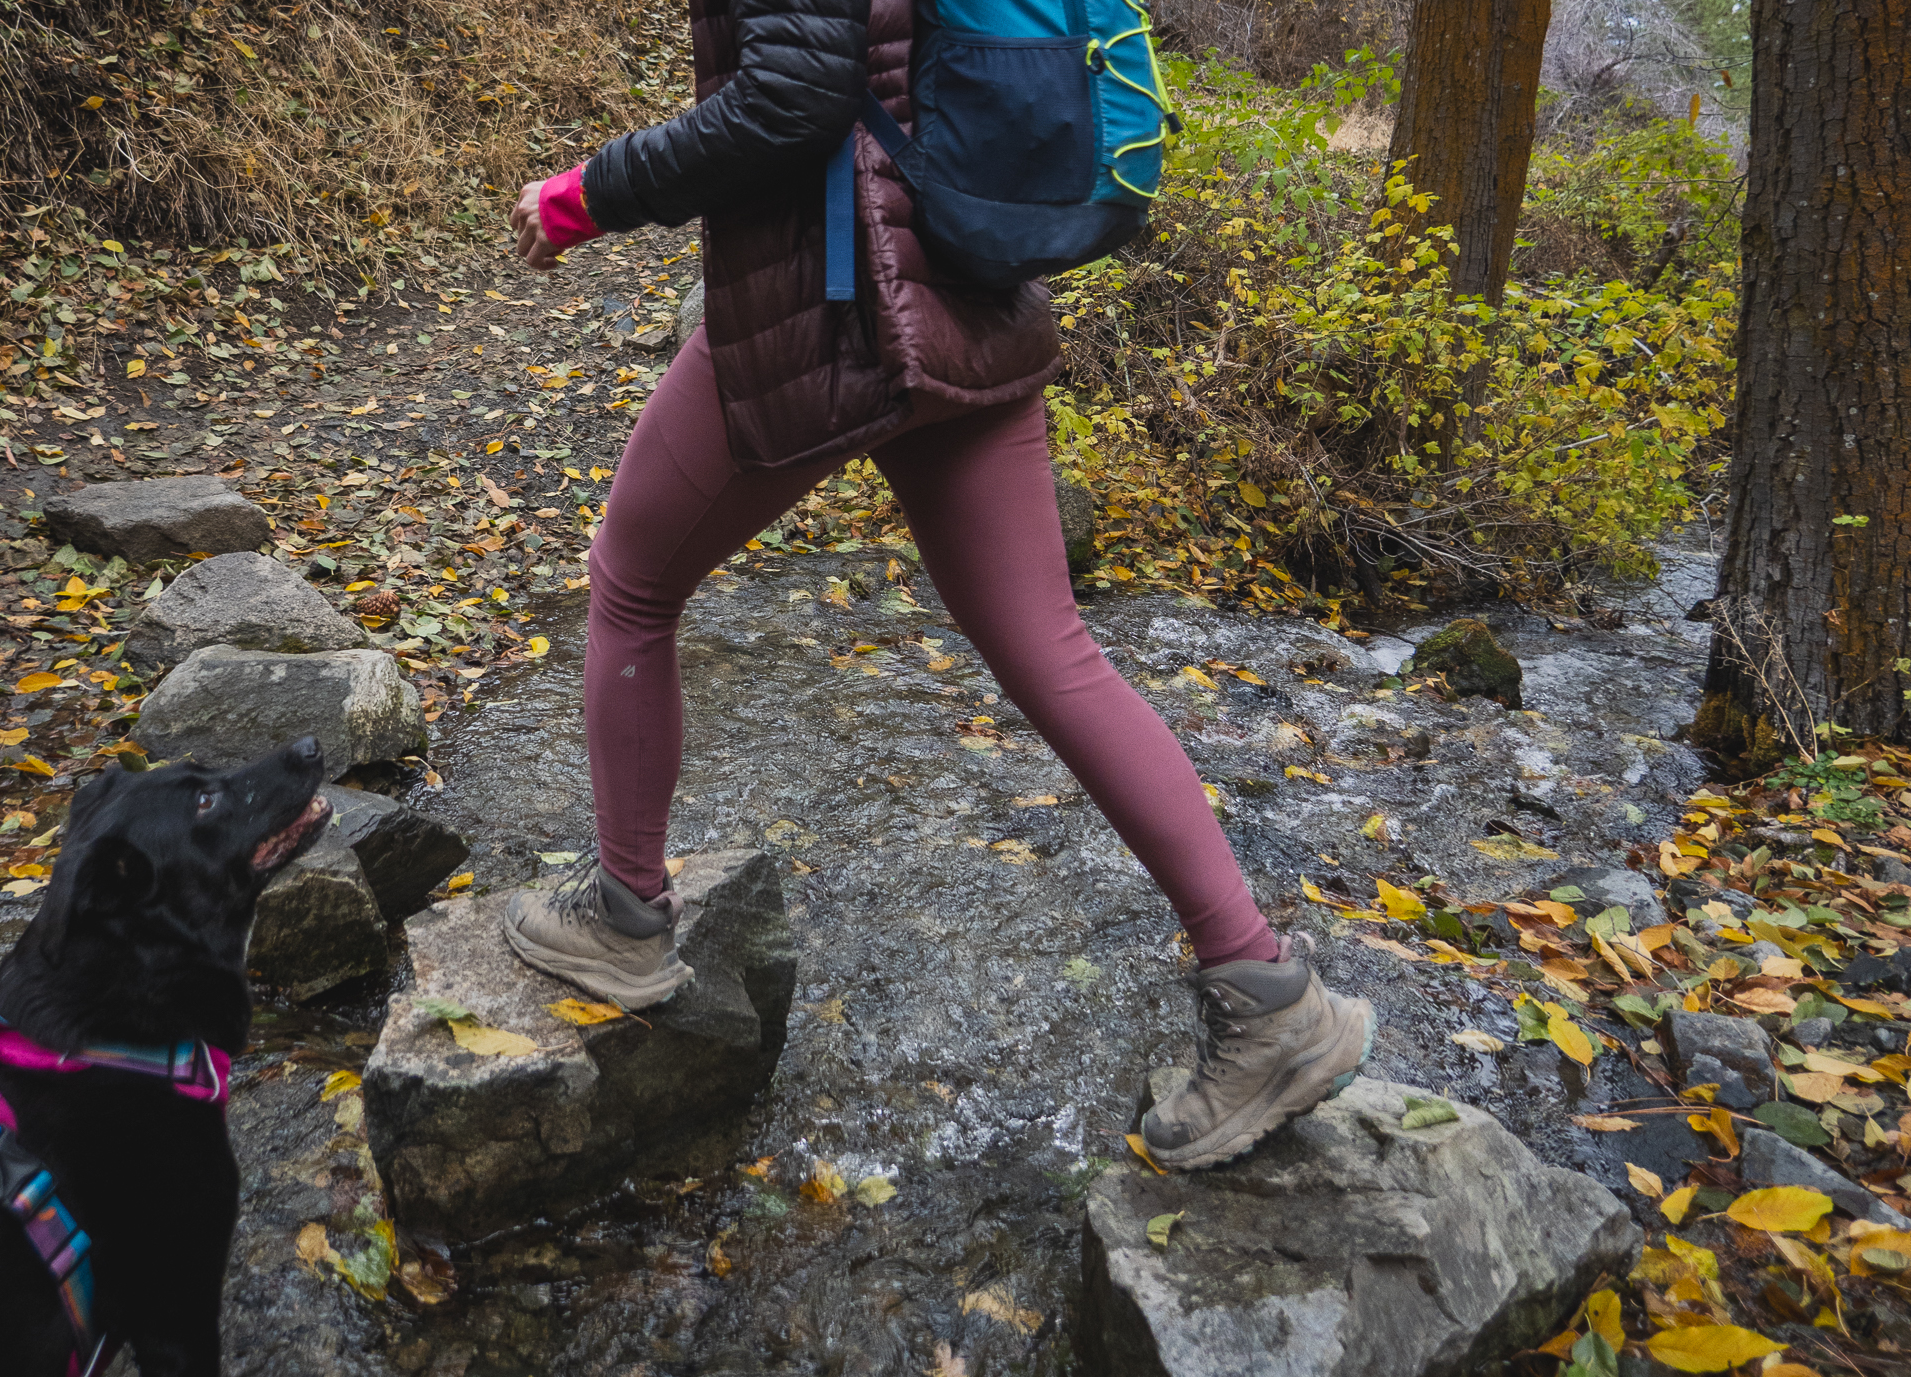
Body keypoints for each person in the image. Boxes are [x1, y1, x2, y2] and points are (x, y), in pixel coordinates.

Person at [496, 0, 1374, 1171]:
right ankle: (1267, 993)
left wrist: (583, 195)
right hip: (961, 265)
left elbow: (788, 102)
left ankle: (622, 916)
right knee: (1052, 645)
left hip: (835, 295)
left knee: (632, 584)